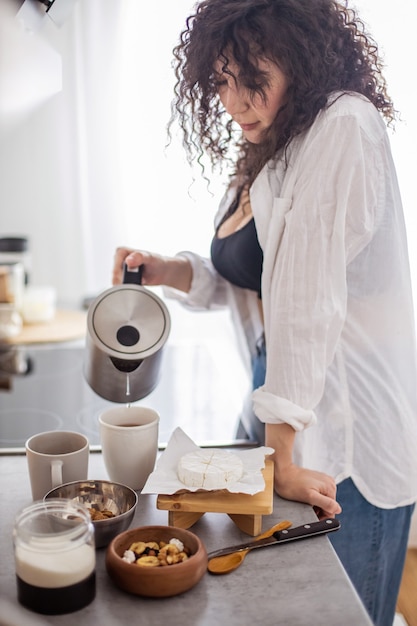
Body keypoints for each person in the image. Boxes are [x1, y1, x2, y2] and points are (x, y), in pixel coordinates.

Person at [112, 1, 417, 624]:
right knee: (285, 604)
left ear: (302, 65)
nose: (234, 100)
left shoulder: (342, 126)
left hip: (340, 423)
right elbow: (257, 280)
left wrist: (282, 455)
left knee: (338, 610)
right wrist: (172, 270)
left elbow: (306, 303)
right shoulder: (268, 151)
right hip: (281, 402)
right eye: (222, 81)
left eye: (254, 79)